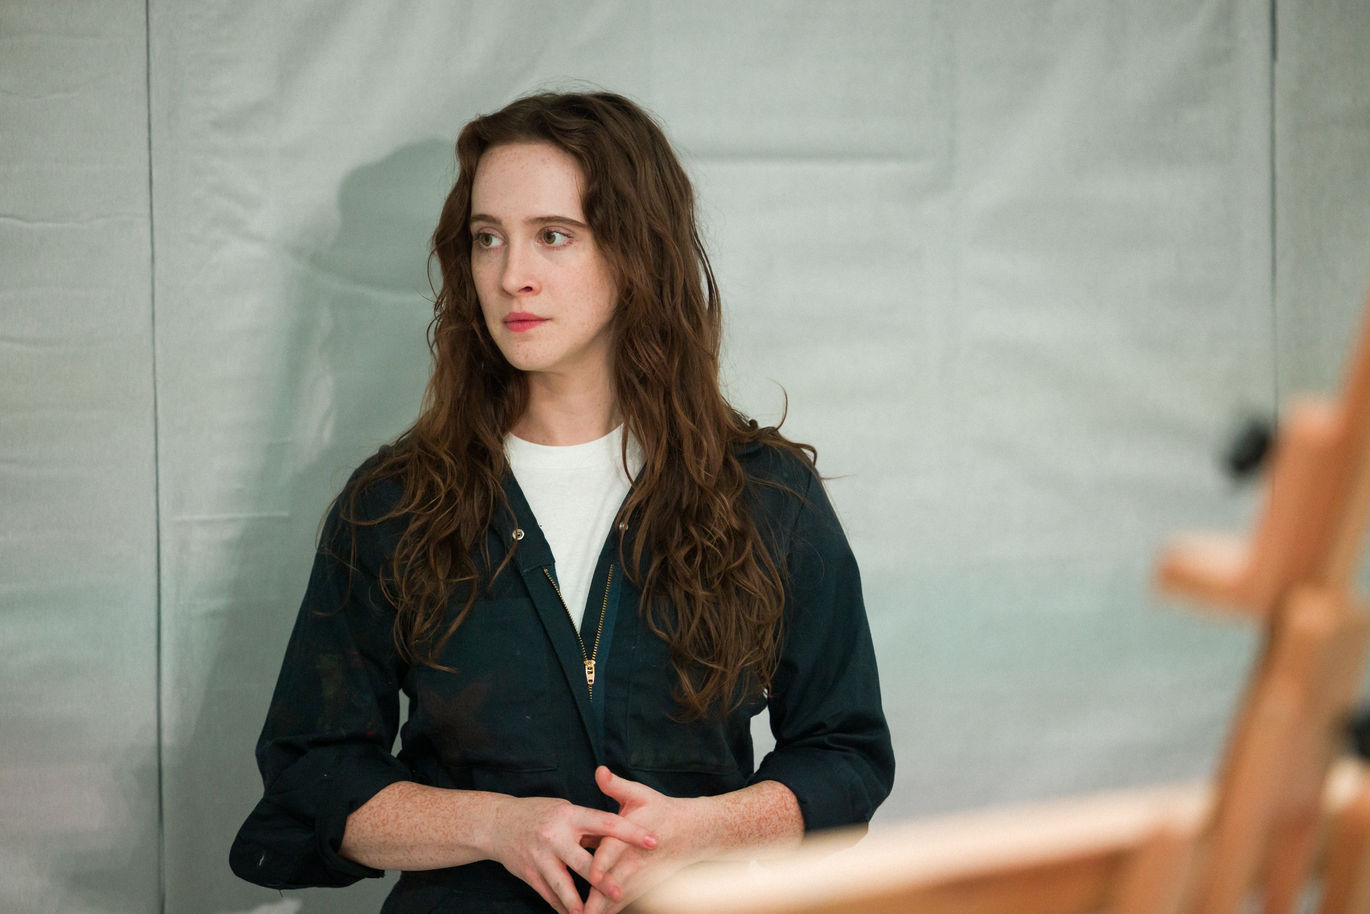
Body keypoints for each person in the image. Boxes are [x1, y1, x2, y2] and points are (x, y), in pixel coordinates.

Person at [230, 90, 894, 914]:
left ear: (637, 250)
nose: (511, 275)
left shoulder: (765, 494)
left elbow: (845, 754)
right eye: (487, 238)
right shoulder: (393, 506)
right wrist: (497, 826)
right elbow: (313, 773)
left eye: (553, 235)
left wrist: (705, 830)